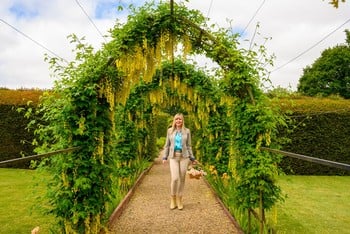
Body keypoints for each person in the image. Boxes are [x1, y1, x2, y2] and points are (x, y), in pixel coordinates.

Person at [162, 113, 196, 210]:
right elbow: (167, 145)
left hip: (184, 157)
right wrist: (164, 157)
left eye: (180, 119)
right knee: (175, 178)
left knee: (182, 179)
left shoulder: (187, 131)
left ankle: (179, 199)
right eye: (176, 119)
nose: (178, 121)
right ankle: (173, 198)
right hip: (173, 157)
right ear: (174, 121)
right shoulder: (170, 131)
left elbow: (189, 146)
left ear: (182, 121)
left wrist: (192, 158)